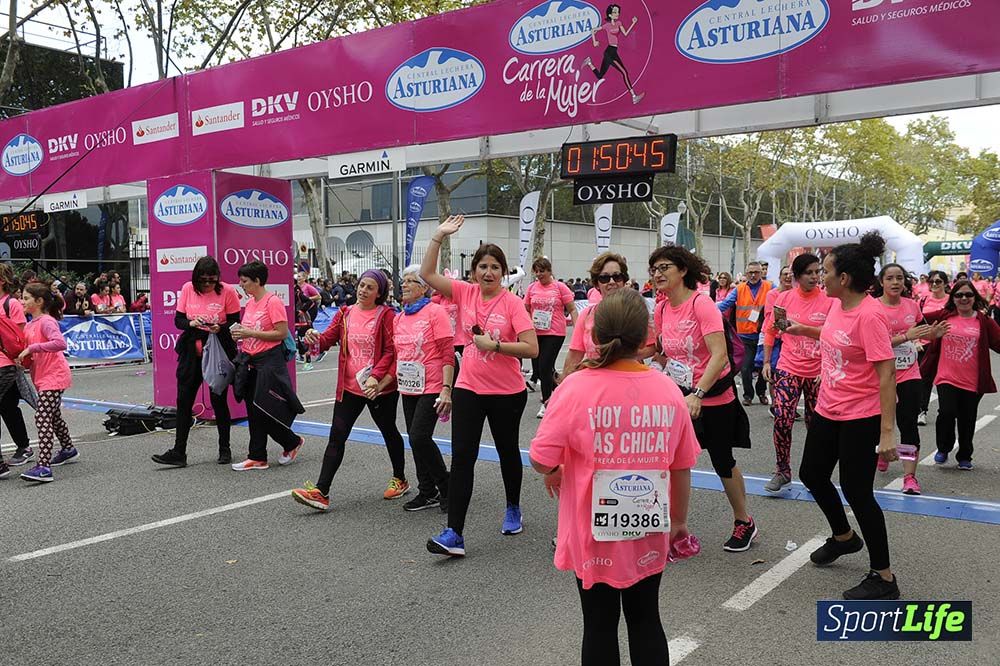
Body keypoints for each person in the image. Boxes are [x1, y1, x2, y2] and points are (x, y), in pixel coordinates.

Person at [529, 289, 698, 666]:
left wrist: (557, 469)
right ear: (645, 338)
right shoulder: (669, 391)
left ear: (594, 334)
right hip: (650, 526)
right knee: (646, 618)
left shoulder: (574, 388)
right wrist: (680, 522)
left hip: (592, 531)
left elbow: (541, 459)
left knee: (599, 625)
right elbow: (681, 465)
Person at [420, 215, 538, 556]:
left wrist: (496, 346)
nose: (488, 273)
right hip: (469, 387)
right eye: (482, 267)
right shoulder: (465, 293)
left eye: (495, 267)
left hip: (507, 392)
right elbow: (428, 275)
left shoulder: (514, 303)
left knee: (506, 452)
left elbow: (532, 348)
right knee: (462, 459)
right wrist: (439, 236)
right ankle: (454, 533)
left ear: (503, 273)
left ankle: (513, 506)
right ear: (473, 272)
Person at [794, 231, 900, 600]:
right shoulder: (839, 306)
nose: (820, 277)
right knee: (812, 474)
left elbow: (887, 374)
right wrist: (801, 329)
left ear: (845, 279)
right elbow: (832, 334)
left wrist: (887, 432)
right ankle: (844, 537)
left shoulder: (871, 316)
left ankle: (884, 577)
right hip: (828, 408)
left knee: (858, 492)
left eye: (825, 271)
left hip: (861, 415)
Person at [649, 246, 758, 552]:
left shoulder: (702, 304)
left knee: (723, 460)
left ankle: (744, 522)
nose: (658, 274)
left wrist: (698, 393)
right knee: (669, 461)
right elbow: (664, 352)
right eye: (654, 269)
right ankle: (669, 524)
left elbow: (719, 354)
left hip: (712, 397)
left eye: (664, 267)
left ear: (683, 270)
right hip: (679, 397)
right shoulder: (660, 308)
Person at [290, 270, 410, 511]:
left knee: (388, 430)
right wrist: (314, 337)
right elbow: (326, 340)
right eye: (361, 285)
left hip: (378, 388)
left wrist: (376, 378)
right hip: (349, 387)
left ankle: (400, 479)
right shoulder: (345, 313)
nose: (363, 290)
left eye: (370, 287)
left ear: (379, 293)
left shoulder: (386, 315)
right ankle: (321, 492)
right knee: (337, 435)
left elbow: (390, 352)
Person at [152, 257, 241, 467]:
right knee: (184, 401)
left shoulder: (227, 291)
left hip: (218, 347)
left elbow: (235, 319)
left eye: (212, 280)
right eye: (203, 281)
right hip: (192, 349)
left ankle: (224, 448)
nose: (208, 284)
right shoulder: (187, 289)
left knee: (218, 400)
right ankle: (179, 451)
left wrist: (220, 327)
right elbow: (178, 320)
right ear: (196, 279)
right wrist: (192, 322)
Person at [761, 256, 832, 492]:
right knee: (782, 417)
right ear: (797, 275)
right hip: (788, 366)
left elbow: (834, 334)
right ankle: (782, 470)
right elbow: (772, 329)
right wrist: (767, 362)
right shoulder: (784, 298)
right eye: (809, 272)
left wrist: (828, 367)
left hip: (817, 371)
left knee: (816, 425)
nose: (815, 277)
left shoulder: (829, 300)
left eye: (817, 272)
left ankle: (815, 473)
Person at [229, 261, 305, 471]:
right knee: (253, 409)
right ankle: (257, 456)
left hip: (270, 360)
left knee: (264, 408)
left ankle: (291, 441)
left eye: (244, 281)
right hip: (250, 360)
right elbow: (250, 329)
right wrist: (240, 333)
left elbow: (281, 333)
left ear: (257, 281)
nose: (241, 284)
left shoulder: (273, 302)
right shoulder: (251, 303)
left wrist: (249, 333)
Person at [875, 264, 942, 494]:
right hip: (879, 375)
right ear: (881, 282)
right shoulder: (872, 308)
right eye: (890, 278)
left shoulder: (912, 306)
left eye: (899, 278)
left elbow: (923, 333)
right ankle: (883, 452)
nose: (895, 282)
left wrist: (932, 335)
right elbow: (872, 344)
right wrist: (906, 337)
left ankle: (909, 477)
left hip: (909, 374)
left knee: (908, 425)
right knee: (880, 422)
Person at [391, 266, 453, 511]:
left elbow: (448, 353)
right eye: (403, 281)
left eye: (410, 282)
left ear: (424, 287)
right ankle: (427, 491)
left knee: (420, 436)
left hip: (433, 384)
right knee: (415, 441)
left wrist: (447, 389)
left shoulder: (435, 312)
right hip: (408, 387)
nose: (403, 285)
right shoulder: (399, 317)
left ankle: (446, 485)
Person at [921, 279, 1000, 470]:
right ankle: (944, 447)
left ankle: (965, 455)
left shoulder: (983, 321)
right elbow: (918, 320)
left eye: (968, 295)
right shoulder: (944, 316)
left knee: (967, 419)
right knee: (946, 412)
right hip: (946, 376)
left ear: (974, 297)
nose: (964, 298)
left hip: (973, 380)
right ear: (953, 298)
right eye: (959, 295)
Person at [15, 283, 74, 483]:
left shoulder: (47, 321)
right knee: (54, 416)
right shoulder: (30, 324)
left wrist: (33, 349)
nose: (22, 301)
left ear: (39, 301)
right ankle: (68, 449)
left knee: (42, 417)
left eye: (26, 298)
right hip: (41, 377)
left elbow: (60, 343)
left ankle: (44, 467)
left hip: (54, 376)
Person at [561, 252, 640, 379]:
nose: (612, 282)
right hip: (595, 383)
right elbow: (574, 355)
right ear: (597, 284)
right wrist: (563, 389)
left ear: (624, 280)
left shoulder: (636, 311)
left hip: (629, 381)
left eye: (617, 276)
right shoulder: (587, 315)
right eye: (604, 278)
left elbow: (651, 347)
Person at [524, 257, 577, 418]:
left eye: (542, 271)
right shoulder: (532, 288)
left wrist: (579, 329)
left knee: (545, 366)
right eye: (537, 271)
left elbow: (572, 309)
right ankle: (563, 391)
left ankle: (546, 403)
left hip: (554, 333)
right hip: (536, 332)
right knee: (541, 370)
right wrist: (527, 323)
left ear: (549, 271)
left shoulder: (560, 287)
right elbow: (526, 308)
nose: (539, 274)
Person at [717, 261, 771, 405]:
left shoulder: (770, 287)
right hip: (745, 336)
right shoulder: (739, 289)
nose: (753, 275)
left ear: (761, 273)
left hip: (763, 336)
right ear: (746, 273)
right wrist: (707, 310)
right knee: (745, 368)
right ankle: (748, 395)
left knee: (762, 368)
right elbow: (724, 305)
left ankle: (761, 392)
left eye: (756, 272)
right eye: (750, 273)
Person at [0, 265, 37, 480]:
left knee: (13, 405)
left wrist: (21, 359)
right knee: (7, 406)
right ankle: (24, 447)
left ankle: (22, 449)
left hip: (8, 363)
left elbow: (20, 336)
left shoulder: (11, 304)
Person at [581, 4, 644, 105]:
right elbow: (593, 30)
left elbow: (626, 34)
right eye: (614, 12)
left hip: (613, 51)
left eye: (618, 12)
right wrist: (594, 41)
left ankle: (589, 63)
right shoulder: (607, 26)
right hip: (610, 52)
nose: (617, 14)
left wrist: (633, 23)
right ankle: (633, 96)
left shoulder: (619, 23)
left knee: (600, 76)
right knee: (624, 72)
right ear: (610, 15)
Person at [917, 270, 950, 425]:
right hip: (925, 345)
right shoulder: (923, 300)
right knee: (924, 379)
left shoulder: (951, 301)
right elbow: (916, 322)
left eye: (938, 282)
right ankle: (922, 411)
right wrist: (916, 341)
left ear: (945, 283)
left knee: (946, 380)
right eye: (932, 282)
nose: (935, 284)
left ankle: (946, 411)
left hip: (947, 345)